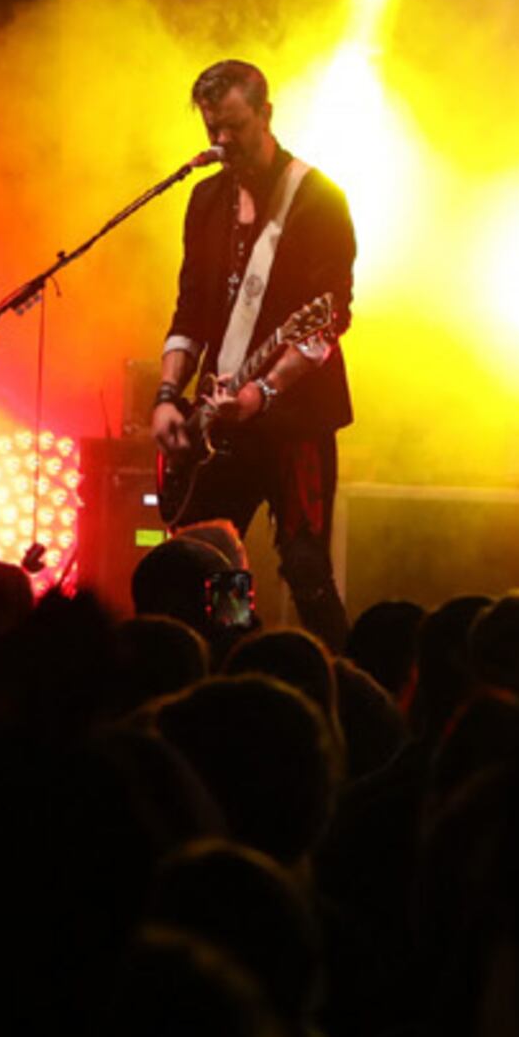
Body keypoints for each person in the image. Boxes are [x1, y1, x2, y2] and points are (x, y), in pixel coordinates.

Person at [152, 59, 357, 641]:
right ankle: (232, 661)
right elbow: (190, 309)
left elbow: (328, 320)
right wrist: (169, 395)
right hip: (218, 420)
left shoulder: (319, 200)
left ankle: (339, 684)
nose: (221, 142)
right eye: (211, 128)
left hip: (294, 419)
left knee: (306, 567)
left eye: (235, 127)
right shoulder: (206, 202)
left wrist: (263, 391)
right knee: (213, 565)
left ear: (265, 115)